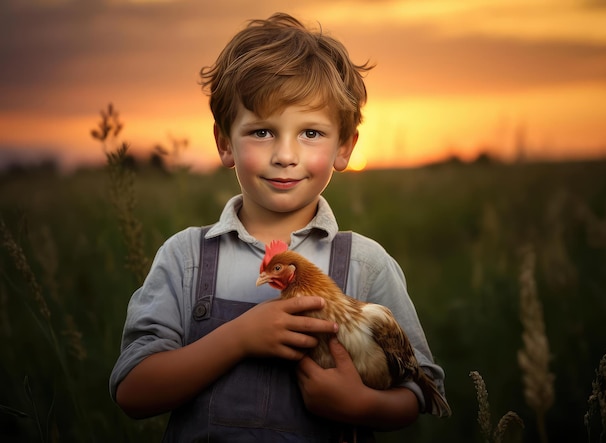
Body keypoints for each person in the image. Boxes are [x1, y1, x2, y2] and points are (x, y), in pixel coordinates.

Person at [109, 12, 448, 442]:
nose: (285, 155)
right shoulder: (187, 258)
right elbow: (133, 391)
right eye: (263, 132)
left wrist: (361, 405)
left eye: (310, 132)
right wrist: (238, 338)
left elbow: (420, 388)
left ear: (344, 147)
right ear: (224, 143)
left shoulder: (366, 264)